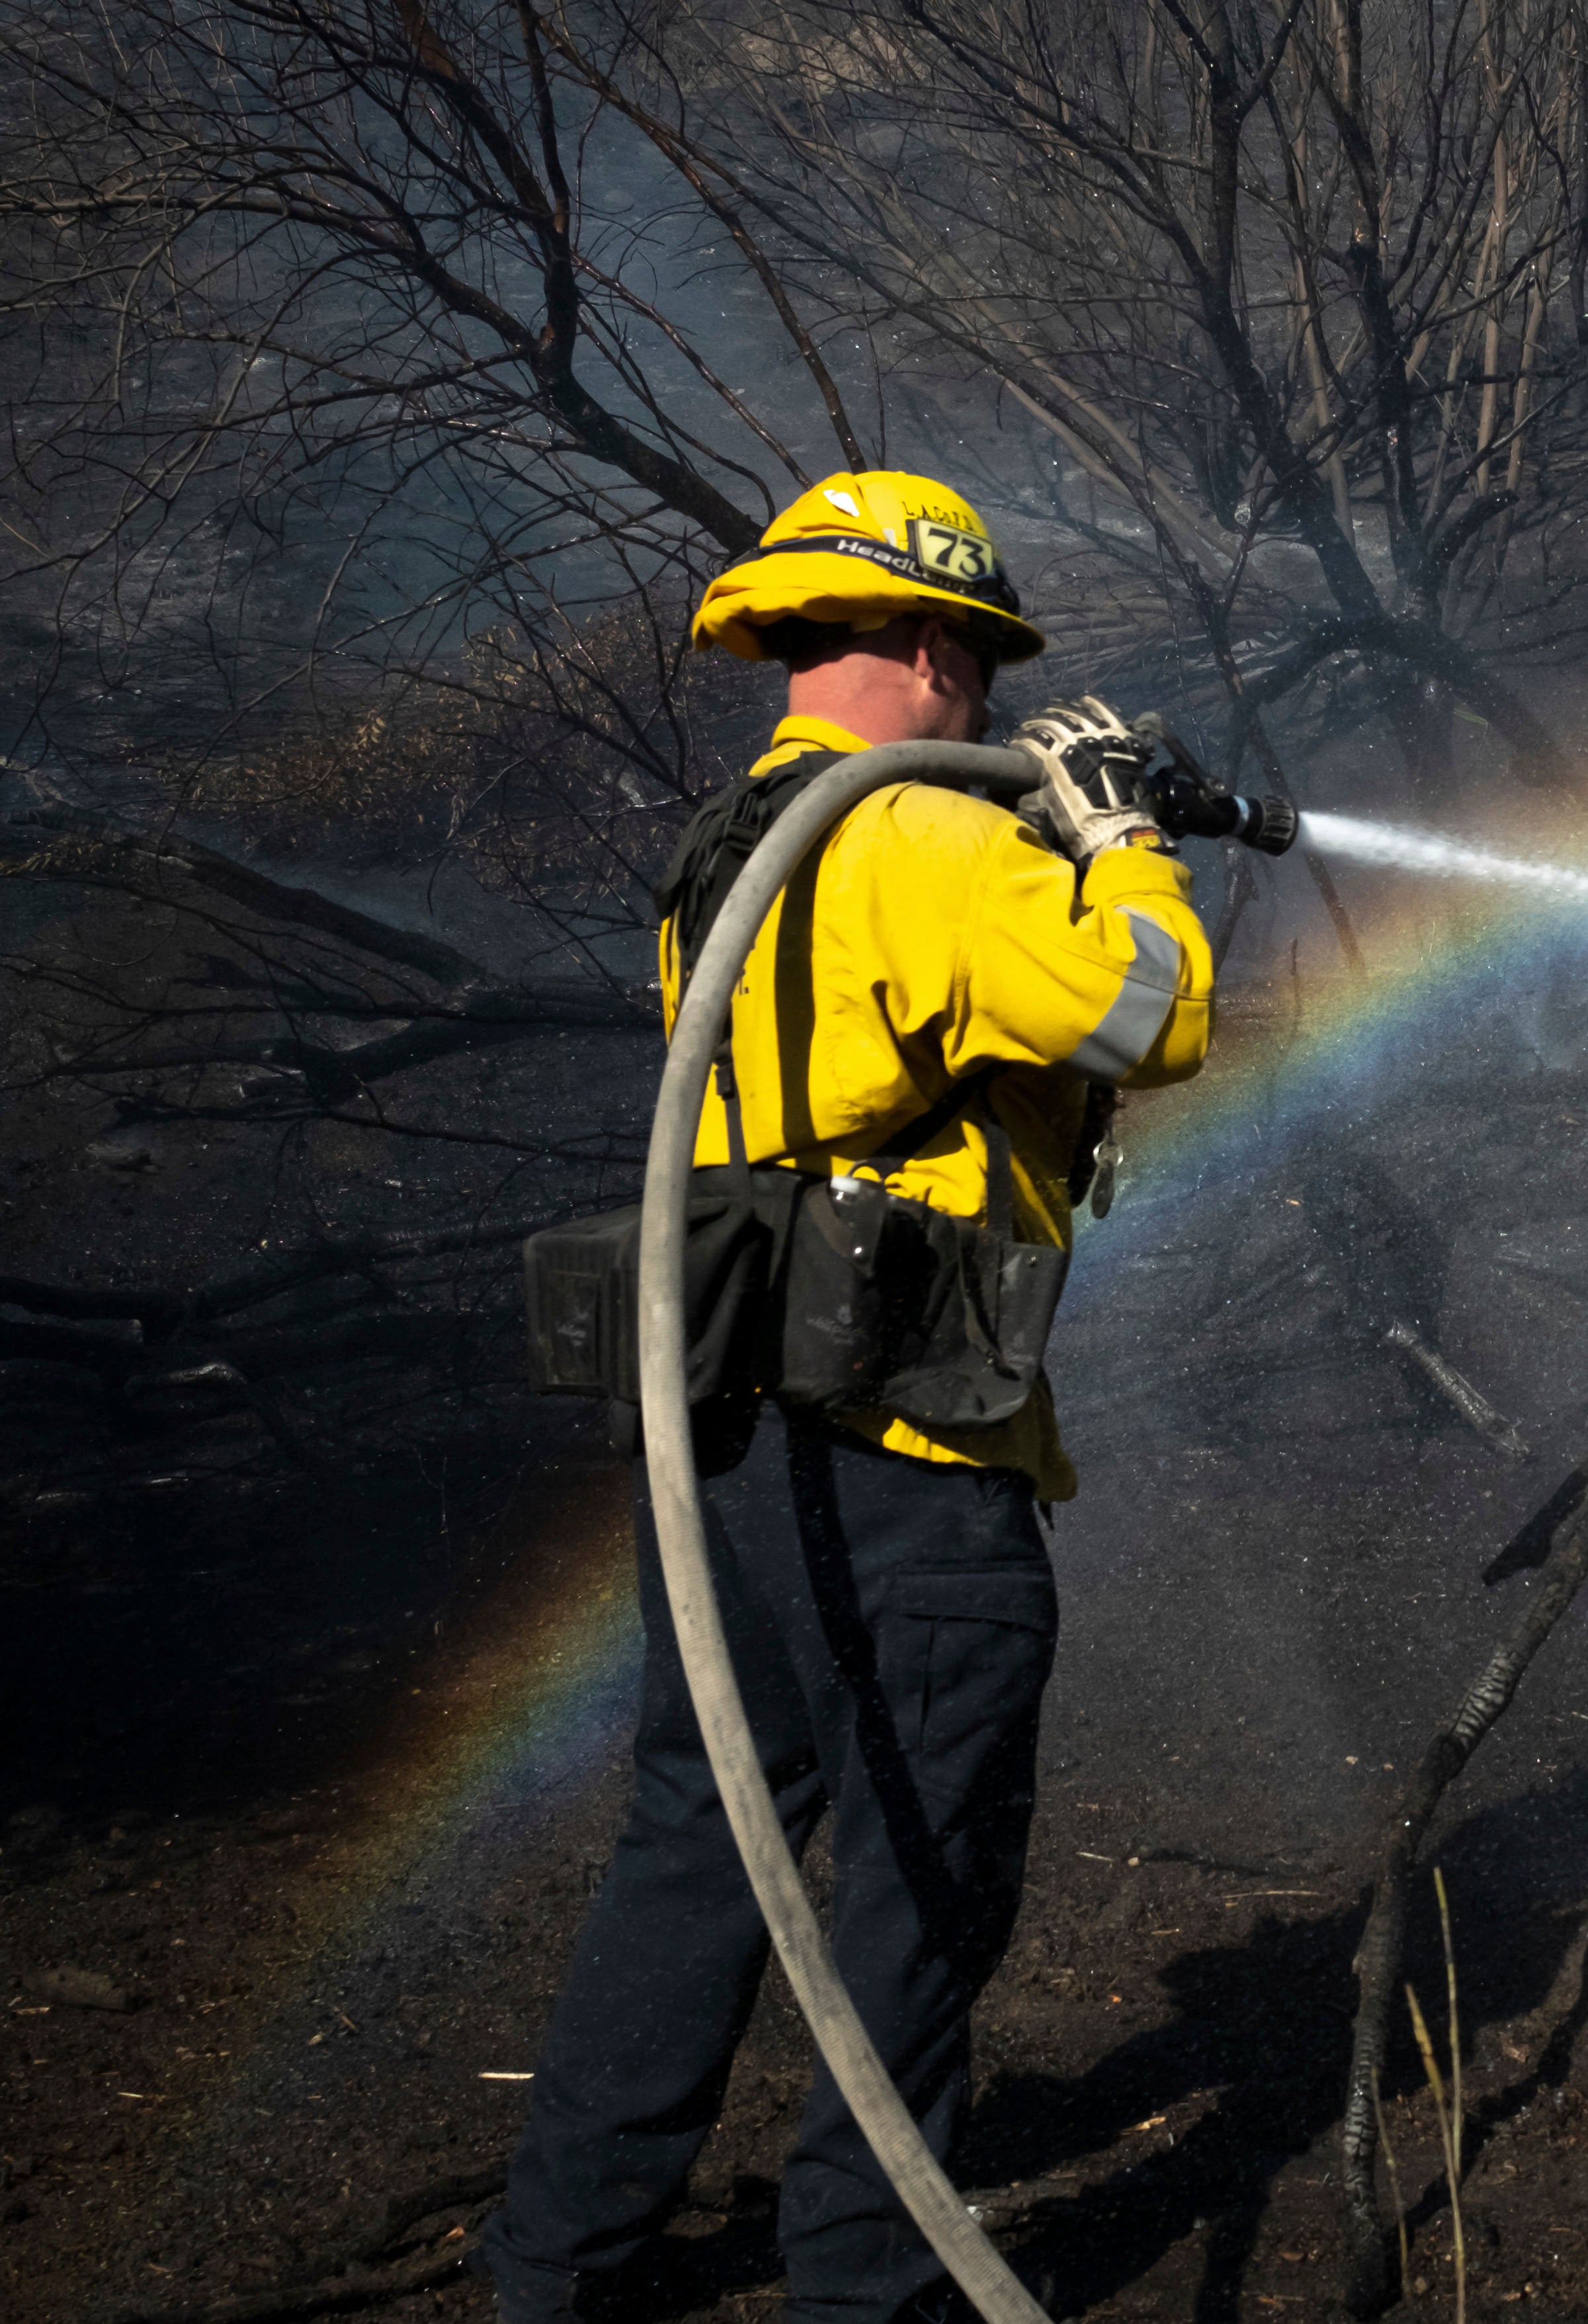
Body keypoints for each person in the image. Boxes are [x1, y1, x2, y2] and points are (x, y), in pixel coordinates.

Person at [483, 471, 1214, 2324]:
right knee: (916, 1889)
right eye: (972, 660)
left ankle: (555, 2270)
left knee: (699, 1843)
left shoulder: (728, 847)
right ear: (923, 644)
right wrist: (1119, 836)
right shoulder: (923, 839)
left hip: (730, 1448)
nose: (982, 697)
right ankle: (863, 2294)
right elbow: (1155, 1011)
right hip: (904, 1466)